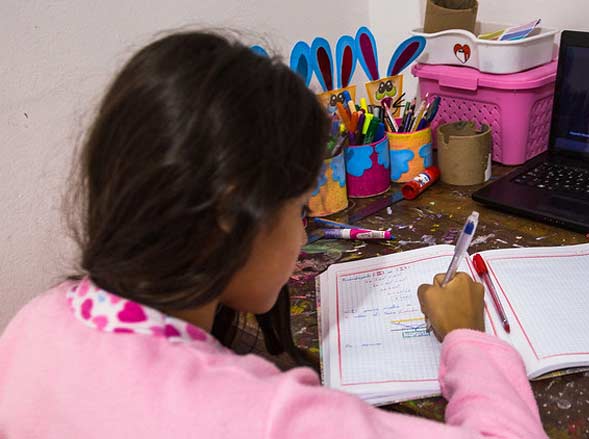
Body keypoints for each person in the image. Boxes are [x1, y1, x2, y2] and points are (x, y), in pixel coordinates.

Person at [0, 31, 546, 438]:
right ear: (231, 212)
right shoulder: (269, 418)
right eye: (301, 207)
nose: (303, 233)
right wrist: (469, 338)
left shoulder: (37, 321)